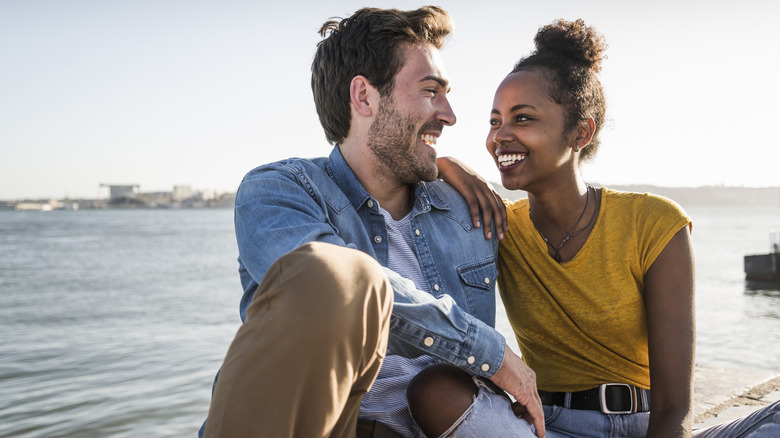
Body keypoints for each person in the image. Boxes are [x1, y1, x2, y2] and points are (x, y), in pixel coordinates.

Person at [413, 18, 780, 438]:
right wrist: (446, 164)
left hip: (650, 426)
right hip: (547, 429)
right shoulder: (499, 227)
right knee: (434, 390)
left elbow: (674, 404)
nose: (500, 137)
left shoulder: (654, 221)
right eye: (495, 122)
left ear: (581, 132)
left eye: (523, 119)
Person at [199, 6, 544, 438]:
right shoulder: (279, 192)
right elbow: (339, 287)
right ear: (364, 96)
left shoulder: (468, 209)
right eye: (430, 91)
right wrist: (490, 353)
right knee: (335, 274)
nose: (450, 114)